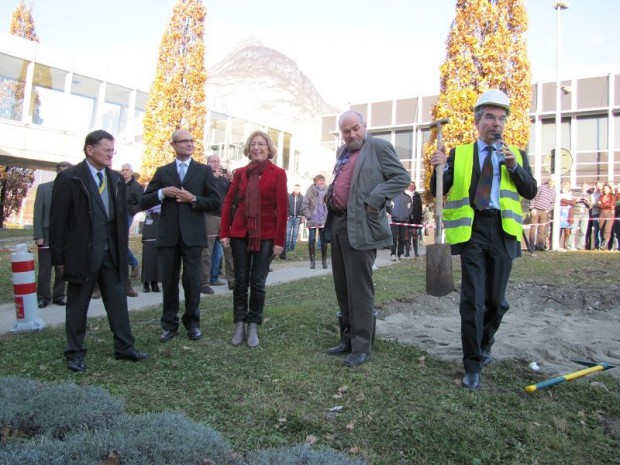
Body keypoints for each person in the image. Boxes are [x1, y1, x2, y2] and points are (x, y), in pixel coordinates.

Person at [430, 89, 537, 390]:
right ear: (477, 121)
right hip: (473, 231)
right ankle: (472, 363)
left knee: (496, 302)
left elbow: (530, 191)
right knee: (472, 301)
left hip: (503, 233)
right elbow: (438, 188)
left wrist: (515, 167)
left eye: (501, 118)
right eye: (490, 117)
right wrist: (438, 167)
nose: (497, 123)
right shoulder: (459, 153)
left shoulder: (516, 154)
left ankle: (485, 344)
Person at [49, 130, 149, 373]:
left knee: (117, 303)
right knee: (78, 305)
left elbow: (120, 217)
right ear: (90, 150)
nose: (111, 155)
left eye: (113, 151)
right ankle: (74, 353)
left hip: (112, 255)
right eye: (107, 150)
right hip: (81, 255)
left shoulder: (115, 179)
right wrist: (59, 258)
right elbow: (58, 221)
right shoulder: (70, 178)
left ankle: (125, 348)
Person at [322, 110, 409, 367]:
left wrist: (375, 198)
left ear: (365, 126)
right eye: (346, 131)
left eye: (355, 128)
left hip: (361, 226)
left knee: (359, 288)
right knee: (342, 285)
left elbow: (401, 178)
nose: (352, 134)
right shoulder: (343, 152)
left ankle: (362, 345)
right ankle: (347, 339)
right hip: (338, 223)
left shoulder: (380, 147)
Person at [140, 129, 220, 343]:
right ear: (173, 145)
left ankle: (193, 323)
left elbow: (215, 202)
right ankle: (169, 324)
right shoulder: (163, 171)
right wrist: (161, 193)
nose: (189, 144)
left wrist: (193, 198)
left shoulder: (203, 171)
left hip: (193, 235)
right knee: (169, 280)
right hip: (168, 235)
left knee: (192, 281)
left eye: (192, 141)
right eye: (184, 141)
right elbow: (143, 200)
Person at [220, 130, 287, 348]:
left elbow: (282, 208)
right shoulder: (240, 173)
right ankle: (239, 323)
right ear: (248, 149)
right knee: (240, 281)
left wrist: (279, 241)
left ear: (269, 149)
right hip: (240, 232)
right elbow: (229, 203)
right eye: (253, 144)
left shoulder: (277, 173)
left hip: (265, 235)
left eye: (261, 144)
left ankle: (253, 325)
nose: (257, 147)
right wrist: (224, 233)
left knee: (258, 282)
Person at [33, 161, 72, 309]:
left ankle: (59, 295)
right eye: (59, 169)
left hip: (64, 237)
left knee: (61, 268)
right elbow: (38, 213)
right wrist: (38, 235)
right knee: (45, 269)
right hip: (46, 235)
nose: (62, 171)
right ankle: (43, 296)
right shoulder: (44, 188)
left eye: (65, 170)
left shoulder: (72, 189)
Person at [200, 154, 232, 294]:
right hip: (210, 217)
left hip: (223, 217)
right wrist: (213, 177)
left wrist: (231, 180)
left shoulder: (223, 179)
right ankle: (203, 282)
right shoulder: (203, 177)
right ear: (207, 163)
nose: (216, 164)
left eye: (218, 161)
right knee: (207, 251)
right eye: (213, 161)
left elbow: (231, 195)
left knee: (224, 251)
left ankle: (223, 279)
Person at [121, 163, 143, 297]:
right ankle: (133, 263)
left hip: (126, 214)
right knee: (119, 241)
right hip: (116, 214)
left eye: (127, 170)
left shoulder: (136, 186)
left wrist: (132, 211)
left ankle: (134, 263)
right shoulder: (118, 183)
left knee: (121, 241)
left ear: (131, 172)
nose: (124, 172)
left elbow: (142, 202)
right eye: (123, 170)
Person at [301, 175, 329, 269]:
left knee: (324, 240)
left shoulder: (327, 189)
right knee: (312, 240)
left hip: (323, 219)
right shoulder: (311, 189)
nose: (322, 182)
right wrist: (308, 216)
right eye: (320, 180)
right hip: (312, 218)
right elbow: (305, 204)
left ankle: (324, 261)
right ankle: (312, 261)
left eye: (323, 180)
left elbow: (330, 202)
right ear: (315, 181)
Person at [528, 177, 555, 251]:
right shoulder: (541, 188)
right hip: (536, 210)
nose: (552, 183)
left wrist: (547, 210)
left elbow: (552, 203)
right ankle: (531, 246)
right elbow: (533, 197)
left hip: (544, 211)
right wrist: (532, 208)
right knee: (533, 228)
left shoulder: (554, 192)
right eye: (551, 181)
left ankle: (540, 246)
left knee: (542, 229)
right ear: (549, 181)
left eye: (553, 182)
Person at [388, 187, 413, 261]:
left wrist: (406, 215)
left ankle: (401, 253)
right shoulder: (392, 196)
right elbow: (387, 205)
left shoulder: (408, 197)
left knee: (402, 238)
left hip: (404, 220)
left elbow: (410, 208)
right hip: (394, 220)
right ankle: (393, 254)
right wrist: (392, 213)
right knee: (394, 237)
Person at [141, 204, 161, 293]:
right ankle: (146, 282)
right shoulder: (150, 192)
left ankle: (154, 282)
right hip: (150, 220)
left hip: (160, 219)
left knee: (157, 254)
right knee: (148, 253)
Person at [281, 184, 304, 260]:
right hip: (290, 217)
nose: (297, 190)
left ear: (299, 189)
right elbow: (286, 206)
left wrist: (302, 216)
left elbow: (303, 207)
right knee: (287, 233)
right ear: (294, 189)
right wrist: (287, 215)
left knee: (295, 233)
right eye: (295, 189)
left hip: (297, 217)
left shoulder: (302, 198)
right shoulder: (289, 197)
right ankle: (286, 247)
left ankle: (292, 248)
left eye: (298, 189)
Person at [572, 182, 592, 251]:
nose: (583, 188)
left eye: (585, 187)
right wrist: (577, 200)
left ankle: (580, 247)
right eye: (582, 186)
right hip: (576, 213)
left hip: (585, 215)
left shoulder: (589, 195)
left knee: (583, 231)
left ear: (587, 188)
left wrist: (587, 201)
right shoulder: (576, 194)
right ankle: (570, 246)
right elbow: (572, 202)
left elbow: (590, 206)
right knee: (573, 230)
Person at [407, 181, 423, 257]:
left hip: (415, 217)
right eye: (410, 185)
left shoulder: (417, 195)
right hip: (406, 217)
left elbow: (420, 208)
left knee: (414, 233)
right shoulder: (404, 194)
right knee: (407, 234)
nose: (411, 187)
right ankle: (407, 252)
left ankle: (416, 251)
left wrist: (420, 217)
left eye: (413, 186)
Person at [597, 183, 616, 250]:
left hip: (609, 214)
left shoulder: (612, 196)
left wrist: (603, 205)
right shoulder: (601, 196)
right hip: (602, 214)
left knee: (607, 229)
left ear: (609, 189)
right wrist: (605, 205)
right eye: (604, 189)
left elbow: (611, 205)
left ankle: (604, 245)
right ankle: (604, 246)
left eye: (607, 189)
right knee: (601, 228)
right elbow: (598, 205)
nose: (605, 190)